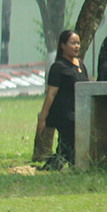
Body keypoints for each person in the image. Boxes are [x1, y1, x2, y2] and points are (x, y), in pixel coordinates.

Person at [37, 30, 89, 170]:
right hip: (63, 113)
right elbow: (51, 94)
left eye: (78, 43)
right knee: (71, 139)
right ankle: (73, 167)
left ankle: (53, 168)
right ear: (63, 45)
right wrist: (43, 116)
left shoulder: (81, 65)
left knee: (65, 145)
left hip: (78, 111)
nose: (76, 46)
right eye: (72, 43)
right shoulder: (58, 67)